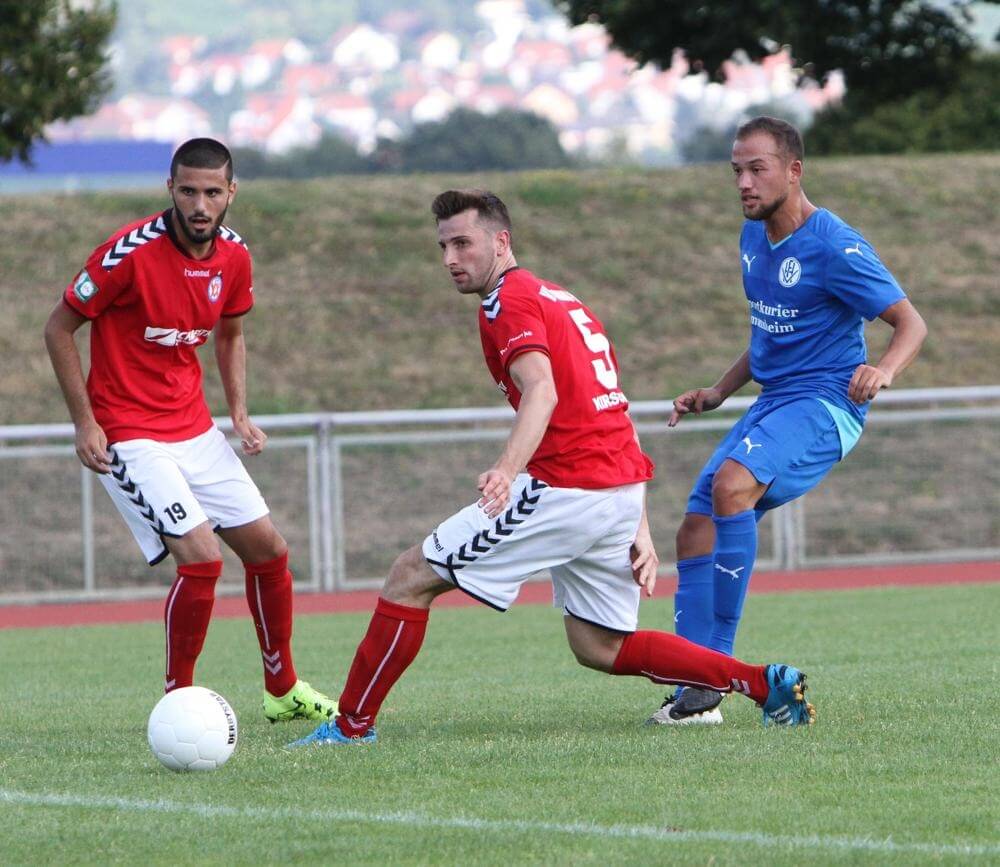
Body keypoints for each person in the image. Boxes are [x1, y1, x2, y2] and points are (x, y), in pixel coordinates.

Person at [290, 189, 816, 749]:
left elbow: (542, 390)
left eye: (463, 244)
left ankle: (350, 726)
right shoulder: (561, 299)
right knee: (599, 646)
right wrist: (637, 522)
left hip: (567, 487)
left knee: (409, 576)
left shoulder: (510, 301)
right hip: (614, 489)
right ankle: (761, 683)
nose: (450, 259)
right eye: (443, 246)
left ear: (501, 241)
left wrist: (506, 470)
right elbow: (612, 407)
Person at [44, 138, 336, 723]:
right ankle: (177, 700)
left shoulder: (234, 256)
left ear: (231, 192)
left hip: (194, 428)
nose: (200, 205)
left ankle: (282, 690)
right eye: (188, 191)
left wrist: (239, 413)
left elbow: (231, 333)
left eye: (212, 192)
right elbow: (58, 329)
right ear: (170, 189)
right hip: (129, 432)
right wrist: (85, 422)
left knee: (270, 552)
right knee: (202, 560)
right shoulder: (128, 253)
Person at [648, 117, 927, 726]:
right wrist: (719, 390)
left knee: (731, 487)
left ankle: (715, 675)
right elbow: (770, 334)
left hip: (827, 404)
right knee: (694, 529)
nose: (744, 183)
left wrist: (883, 370)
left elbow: (911, 323)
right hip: (775, 401)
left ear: (794, 171)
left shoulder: (834, 245)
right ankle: (695, 686)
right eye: (737, 171)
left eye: (758, 169)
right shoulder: (752, 238)